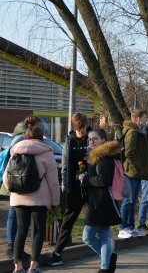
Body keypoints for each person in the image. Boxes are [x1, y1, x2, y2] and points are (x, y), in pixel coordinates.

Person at [3, 116, 60, 273]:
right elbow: (53, 182)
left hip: (18, 198)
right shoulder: (46, 153)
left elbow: (6, 178)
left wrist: (14, 190)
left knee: (21, 230)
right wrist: (55, 202)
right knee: (39, 231)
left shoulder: (15, 151)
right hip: (39, 199)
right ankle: (33, 267)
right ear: (41, 138)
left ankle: (18, 267)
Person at [43, 112, 90, 266]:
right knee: (68, 222)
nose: (81, 131)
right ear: (74, 127)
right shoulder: (69, 141)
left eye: (82, 128)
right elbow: (64, 166)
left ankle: (108, 253)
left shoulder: (92, 138)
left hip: (91, 185)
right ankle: (57, 254)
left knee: (100, 220)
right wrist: (66, 186)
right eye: (78, 128)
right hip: (75, 188)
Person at [78, 129, 121, 273]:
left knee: (87, 237)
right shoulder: (98, 155)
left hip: (101, 201)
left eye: (94, 139)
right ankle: (106, 266)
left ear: (103, 139)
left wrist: (86, 179)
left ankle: (107, 261)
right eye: (89, 140)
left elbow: (104, 180)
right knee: (104, 235)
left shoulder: (104, 157)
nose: (91, 142)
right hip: (100, 200)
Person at [118, 109, 148, 238]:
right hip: (131, 172)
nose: (145, 120)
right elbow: (129, 152)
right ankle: (123, 227)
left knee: (132, 202)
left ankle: (131, 227)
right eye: (144, 118)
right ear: (137, 119)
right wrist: (137, 166)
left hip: (136, 173)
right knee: (128, 201)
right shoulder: (132, 132)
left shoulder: (139, 131)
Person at [2, 120, 29, 259]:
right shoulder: (20, 140)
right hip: (15, 181)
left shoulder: (17, 138)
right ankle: (12, 247)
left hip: (15, 180)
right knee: (14, 215)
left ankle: (15, 247)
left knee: (16, 216)